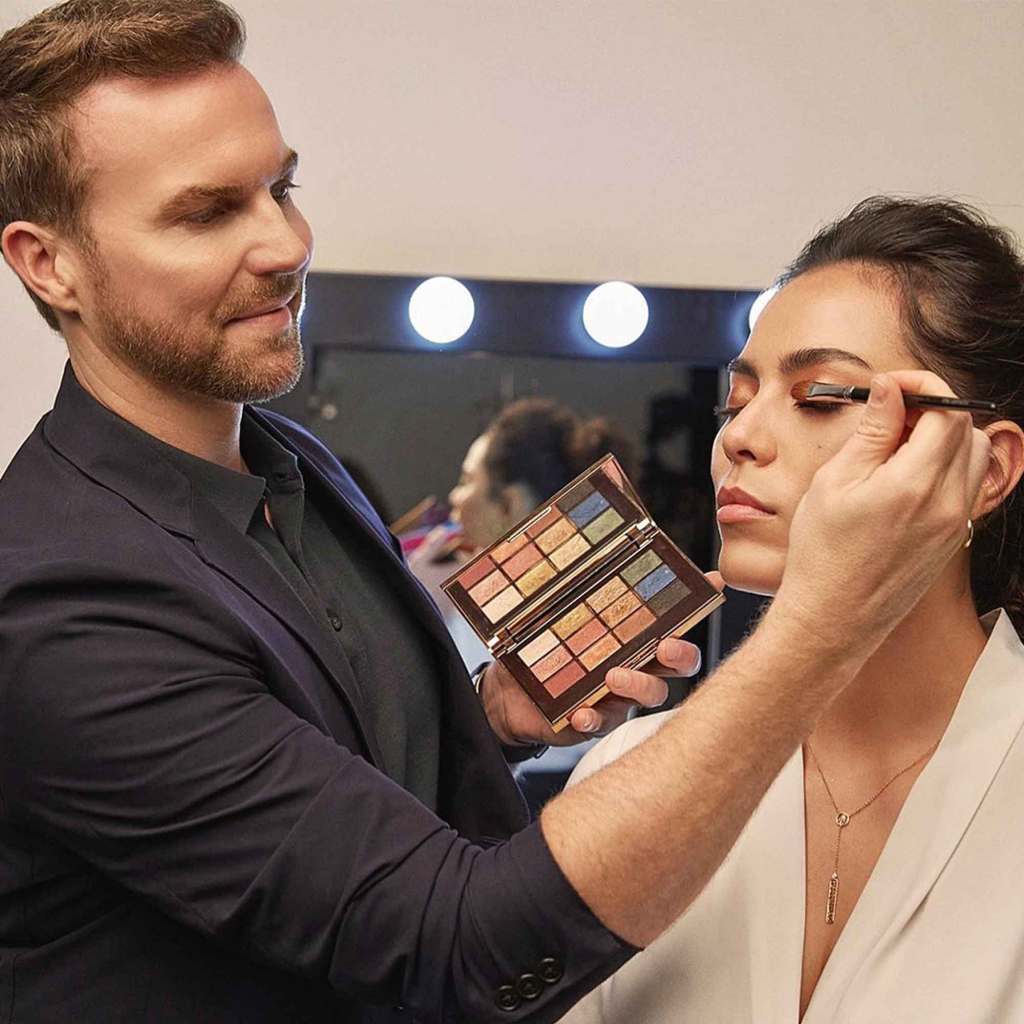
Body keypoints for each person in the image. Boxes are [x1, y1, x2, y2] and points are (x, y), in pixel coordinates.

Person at [0, 3, 990, 1020]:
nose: (287, 243)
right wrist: (820, 628)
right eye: (209, 214)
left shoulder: (293, 463)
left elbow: (331, 794)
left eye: (281, 188)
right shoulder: (55, 604)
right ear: (48, 262)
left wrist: (486, 721)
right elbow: (454, 944)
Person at [559, 197, 1024, 1023]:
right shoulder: (631, 778)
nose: (737, 438)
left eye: (819, 395)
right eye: (735, 402)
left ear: (987, 470)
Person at [410, 398, 635, 670]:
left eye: (466, 480)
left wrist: (414, 603)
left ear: (510, 505)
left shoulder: (472, 623)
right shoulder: (597, 615)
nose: (454, 497)